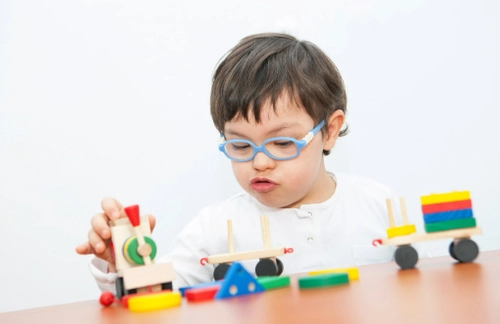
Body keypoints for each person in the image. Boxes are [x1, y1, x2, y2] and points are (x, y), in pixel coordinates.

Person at [76, 32, 395, 292]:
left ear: (330, 131)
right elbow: (159, 298)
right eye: (240, 145)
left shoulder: (380, 205)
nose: (259, 162)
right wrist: (126, 266)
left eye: (282, 143)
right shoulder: (213, 229)